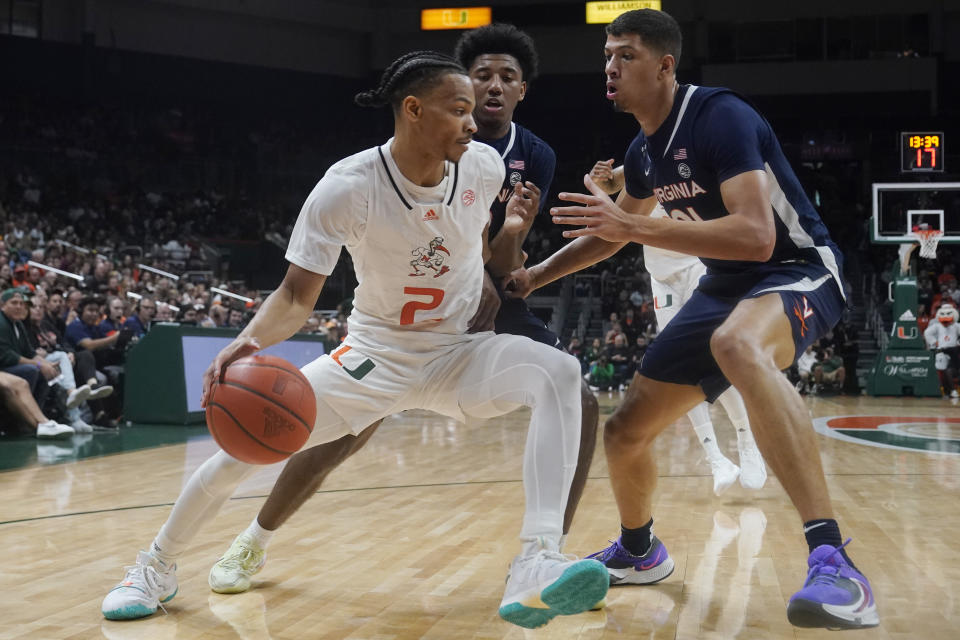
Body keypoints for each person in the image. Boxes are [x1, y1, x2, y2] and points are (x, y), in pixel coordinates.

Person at [101, 51, 607, 629]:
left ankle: (536, 560)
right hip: (375, 358)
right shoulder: (347, 186)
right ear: (413, 109)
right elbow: (295, 297)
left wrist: (513, 234)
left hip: (459, 353)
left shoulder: (485, 167)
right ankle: (156, 565)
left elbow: (484, 251)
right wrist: (246, 341)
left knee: (561, 374)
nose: (473, 123)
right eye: (459, 109)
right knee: (241, 450)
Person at [505, 9, 877, 630]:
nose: (610, 66)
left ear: (664, 64)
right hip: (725, 285)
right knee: (625, 431)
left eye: (624, 55)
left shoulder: (719, 116)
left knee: (737, 345)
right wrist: (533, 277)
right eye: (606, 55)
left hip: (798, 269)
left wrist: (632, 224)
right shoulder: (643, 150)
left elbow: (759, 237)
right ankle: (639, 549)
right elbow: (610, 237)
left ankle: (833, 558)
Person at [588, 160, 766, 495]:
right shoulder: (643, 157)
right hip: (661, 277)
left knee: (712, 357)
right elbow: (615, 183)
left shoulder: (690, 156)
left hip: (697, 264)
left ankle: (747, 441)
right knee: (677, 369)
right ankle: (715, 457)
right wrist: (603, 178)